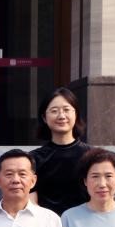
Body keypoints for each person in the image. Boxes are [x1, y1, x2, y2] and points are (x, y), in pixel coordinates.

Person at [30, 87, 91, 216]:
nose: (61, 116)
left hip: (85, 222)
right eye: (54, 111)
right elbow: (32, 203)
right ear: (44, 117)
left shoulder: (92, 156)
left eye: (66, 110)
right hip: (48, 224)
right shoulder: (34, 158)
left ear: (76, 114)